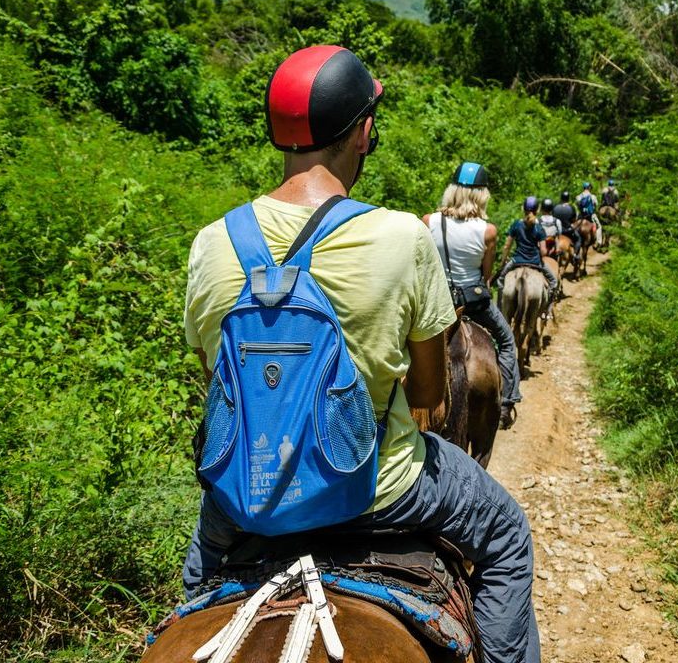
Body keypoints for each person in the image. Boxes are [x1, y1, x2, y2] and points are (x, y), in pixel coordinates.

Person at [181, 45, 540, 663]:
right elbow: (429, 396)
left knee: (191, 600)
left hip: (248, 499)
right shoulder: (400, 235)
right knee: (507, 535)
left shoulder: (213, 243)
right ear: (364, 132)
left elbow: (219, 380)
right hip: (384, 487)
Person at [422, 162, 522, 430]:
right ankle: (507, 402)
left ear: (451, 191)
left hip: (438, 304)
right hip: (473, 303)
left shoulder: (429, 221)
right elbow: (486, 276)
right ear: (482, 196)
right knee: (506, 340)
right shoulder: (487, 231)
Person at [493, 196, 560, 299]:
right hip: (536, 262)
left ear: (522, 209)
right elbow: (543, 252)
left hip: (516, 261)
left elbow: (507, 246)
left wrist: (502, 263)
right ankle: (547, 307)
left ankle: (500, 306)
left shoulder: (516, 225)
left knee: (500, 281)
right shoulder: (539, 228)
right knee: (554, 281)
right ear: (537, 210)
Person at [552, 191, 579, 258]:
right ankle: (575, 254)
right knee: (578, 239)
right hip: (568, 231)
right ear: (568, 199)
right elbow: (574, 220)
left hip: (556, 231)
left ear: (561, 198)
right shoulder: (572, 207)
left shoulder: (555, 207)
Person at [576, 181, 603, 246]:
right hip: (591, 215)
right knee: (599, 226)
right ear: (589, 188)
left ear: (583, 188)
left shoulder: (578, 197)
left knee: (575, 226)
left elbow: (577, 205)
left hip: (581, 215)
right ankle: (598, 242)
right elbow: (596, 205)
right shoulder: (593, 196)